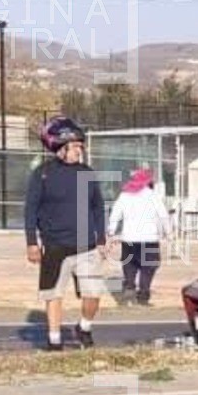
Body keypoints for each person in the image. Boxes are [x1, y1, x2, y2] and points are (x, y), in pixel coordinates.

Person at [24, 116, 107, 352]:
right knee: (53, 295)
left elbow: (97, 207)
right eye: (75, 146)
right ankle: (54, 340)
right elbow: (31, 209)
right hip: (55, 247)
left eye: (81, 146)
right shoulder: (42, 174)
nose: (80, 150)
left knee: (93, 294)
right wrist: (32, 242)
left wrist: (101, 238)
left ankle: (84, 327)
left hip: (86, 246)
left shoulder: (86, 173)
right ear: (61, 148)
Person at [108, 168, 172, 307]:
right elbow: (164, 216)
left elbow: (115, 214)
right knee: (148, 267)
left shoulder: (124, 195)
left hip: (129, 238)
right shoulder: (153, 196)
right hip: (149, 239)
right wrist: (169, 233)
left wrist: (111, 231)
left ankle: (129, 291)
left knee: (129, 265)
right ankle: (143, 295)